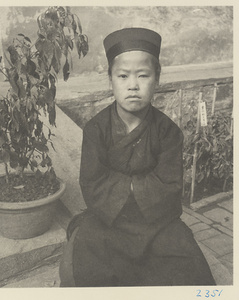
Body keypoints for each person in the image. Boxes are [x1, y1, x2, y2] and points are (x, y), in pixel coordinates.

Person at [59, 27, 216, 287]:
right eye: (123, 76)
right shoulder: (96, 129)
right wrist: (137, 186)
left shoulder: (168, 131)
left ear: (157, 80)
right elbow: (92, 182)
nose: (133, 85)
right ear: (110, 79)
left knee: (190, 265)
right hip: (108, 219)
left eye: (143, 75)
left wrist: (124, 186)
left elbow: (170, 185)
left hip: (156, 222)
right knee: (83, 264)